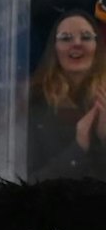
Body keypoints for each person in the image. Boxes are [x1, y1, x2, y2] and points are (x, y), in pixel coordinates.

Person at [27, 11, 106, 178]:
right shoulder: (35, 101)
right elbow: (28, 182)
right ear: (54, 49)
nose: (76, 44)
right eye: (65, 38)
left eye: (86, 37)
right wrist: (79, 147)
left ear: (97, 47)